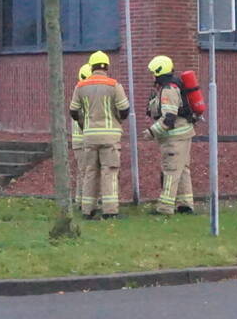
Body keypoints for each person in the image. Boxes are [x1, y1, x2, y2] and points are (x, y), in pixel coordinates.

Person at [69, 51, 130, 220]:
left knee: (90, 172)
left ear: (92, 66)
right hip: (110, 137)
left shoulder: (80, 87)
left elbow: (73, 111)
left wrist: (84, 123)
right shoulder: (114, 85)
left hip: (89, 136)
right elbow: (124, 109)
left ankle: (88, 209)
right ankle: (110, 211)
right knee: (109, 172)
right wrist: (117, 119)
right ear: (107, 66)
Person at [143, 55, 196, 215]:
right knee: (183, 170)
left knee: (171, 170)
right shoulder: (172, 87)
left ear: (159, 72)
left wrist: (151, 132)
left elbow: (168, 119)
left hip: (174, 138)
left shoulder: (168, 90)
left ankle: (165, 208)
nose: (152, 76)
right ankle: (185, 205)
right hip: (183, 134)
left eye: (153, 73)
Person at [70, 63, 92, 209]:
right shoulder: (83, 96)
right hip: (83, 141)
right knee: (86, 173)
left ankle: (79, 201)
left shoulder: (78, 93)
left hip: (79, 142)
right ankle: (85, 202)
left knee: (82, 172)